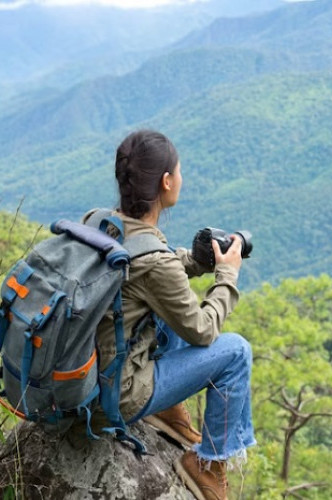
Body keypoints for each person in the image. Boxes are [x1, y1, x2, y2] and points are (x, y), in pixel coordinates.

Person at [85, 129, 255, 500]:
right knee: (237, 352)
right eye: (178, 172)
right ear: (166, 182)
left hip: (88, 376)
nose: (181, 178)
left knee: (167, 303)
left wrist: (194, 263)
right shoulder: (155, 262)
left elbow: (144, 272)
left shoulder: (99, 222)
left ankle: (167, 410)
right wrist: (227, 275)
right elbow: (204, 332)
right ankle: (208, 465)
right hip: (117, 395)